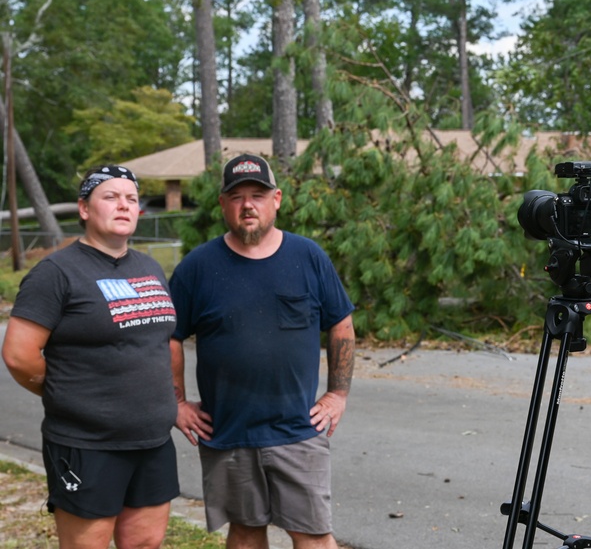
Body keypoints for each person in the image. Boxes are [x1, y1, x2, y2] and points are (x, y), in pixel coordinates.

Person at [170, 153, 355, 549]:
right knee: (245, 533)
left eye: (258, 194)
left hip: (297, 430)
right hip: (228, 432)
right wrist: (178, 402)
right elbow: (169, 338)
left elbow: (341, 323)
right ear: (223, 204)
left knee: (314, 536)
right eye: (236, 196)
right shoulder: (196, 268)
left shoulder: (308, 258)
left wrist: (338, 394)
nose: (247, 204)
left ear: (277, 199)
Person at [1, 165, 179, 549]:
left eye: (131, 199)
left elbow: (161, 344)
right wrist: (68, 392)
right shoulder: (57, 272)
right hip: (87, 444)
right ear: (84, 208)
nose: (123, 205)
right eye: (110, 197)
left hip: (152, 441)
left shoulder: (149, 268)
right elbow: (19, 355)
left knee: (146, 542)